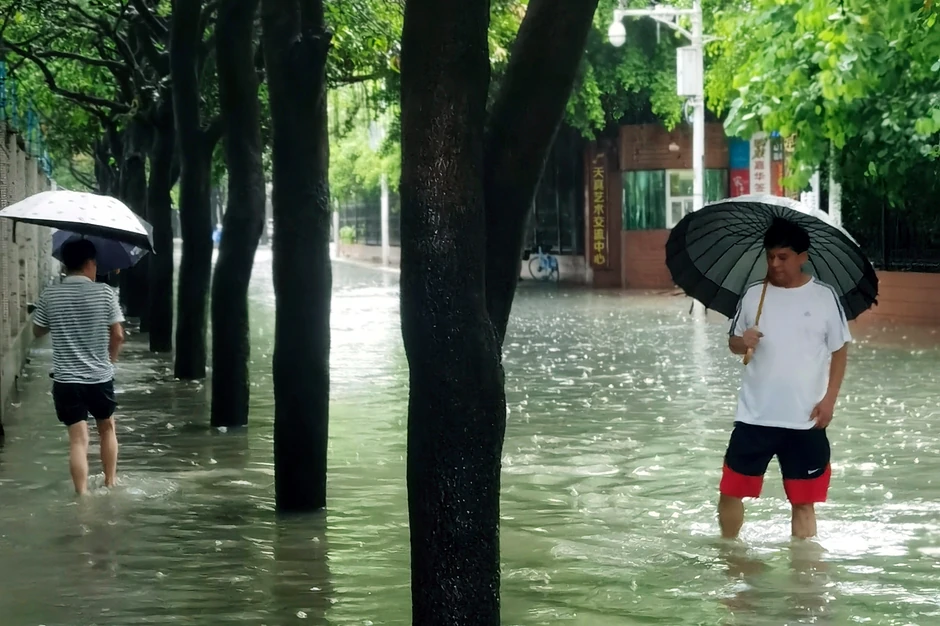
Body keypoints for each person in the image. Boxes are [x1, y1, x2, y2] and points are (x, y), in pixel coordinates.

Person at [719, 217, 850, 540]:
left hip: (805, 419)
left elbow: (840, 350)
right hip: (755, 417)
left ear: (802, 257)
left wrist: (829, 400)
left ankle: (804, 580)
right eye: (770, 256)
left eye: (783, 257)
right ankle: (730, 555)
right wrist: (743, 341)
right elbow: (733, 343)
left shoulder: (824, 297)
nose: (775, 264)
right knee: (729, 492)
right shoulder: (753, 295)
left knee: (804, 504)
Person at [32, 238, 125, 495]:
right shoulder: (105, 293)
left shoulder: (51, 293)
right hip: (99, 377)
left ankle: (81, 495)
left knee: (77, 438)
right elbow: (117, 335)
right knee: (106, 428)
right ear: (90, 263)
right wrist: (109, 361)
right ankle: (110, 482)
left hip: (66, 380)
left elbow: (38, 331)